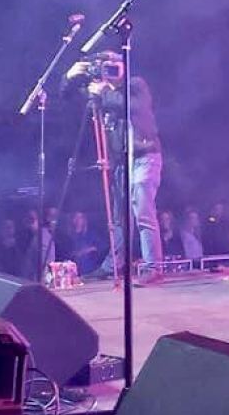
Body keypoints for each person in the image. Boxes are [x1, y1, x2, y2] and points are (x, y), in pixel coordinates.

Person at [65, 52, 164, 284]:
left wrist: (104, 92)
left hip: (144, 156)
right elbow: (68, 98)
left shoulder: (135, 85)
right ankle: (113, 266)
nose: (111, 72)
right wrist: (69, 77)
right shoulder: (100, 92)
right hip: (121, 162)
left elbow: (133, 106)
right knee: (120, 219)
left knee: (143, 212)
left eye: (115, 66)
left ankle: (153, 267)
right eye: (106, 67)